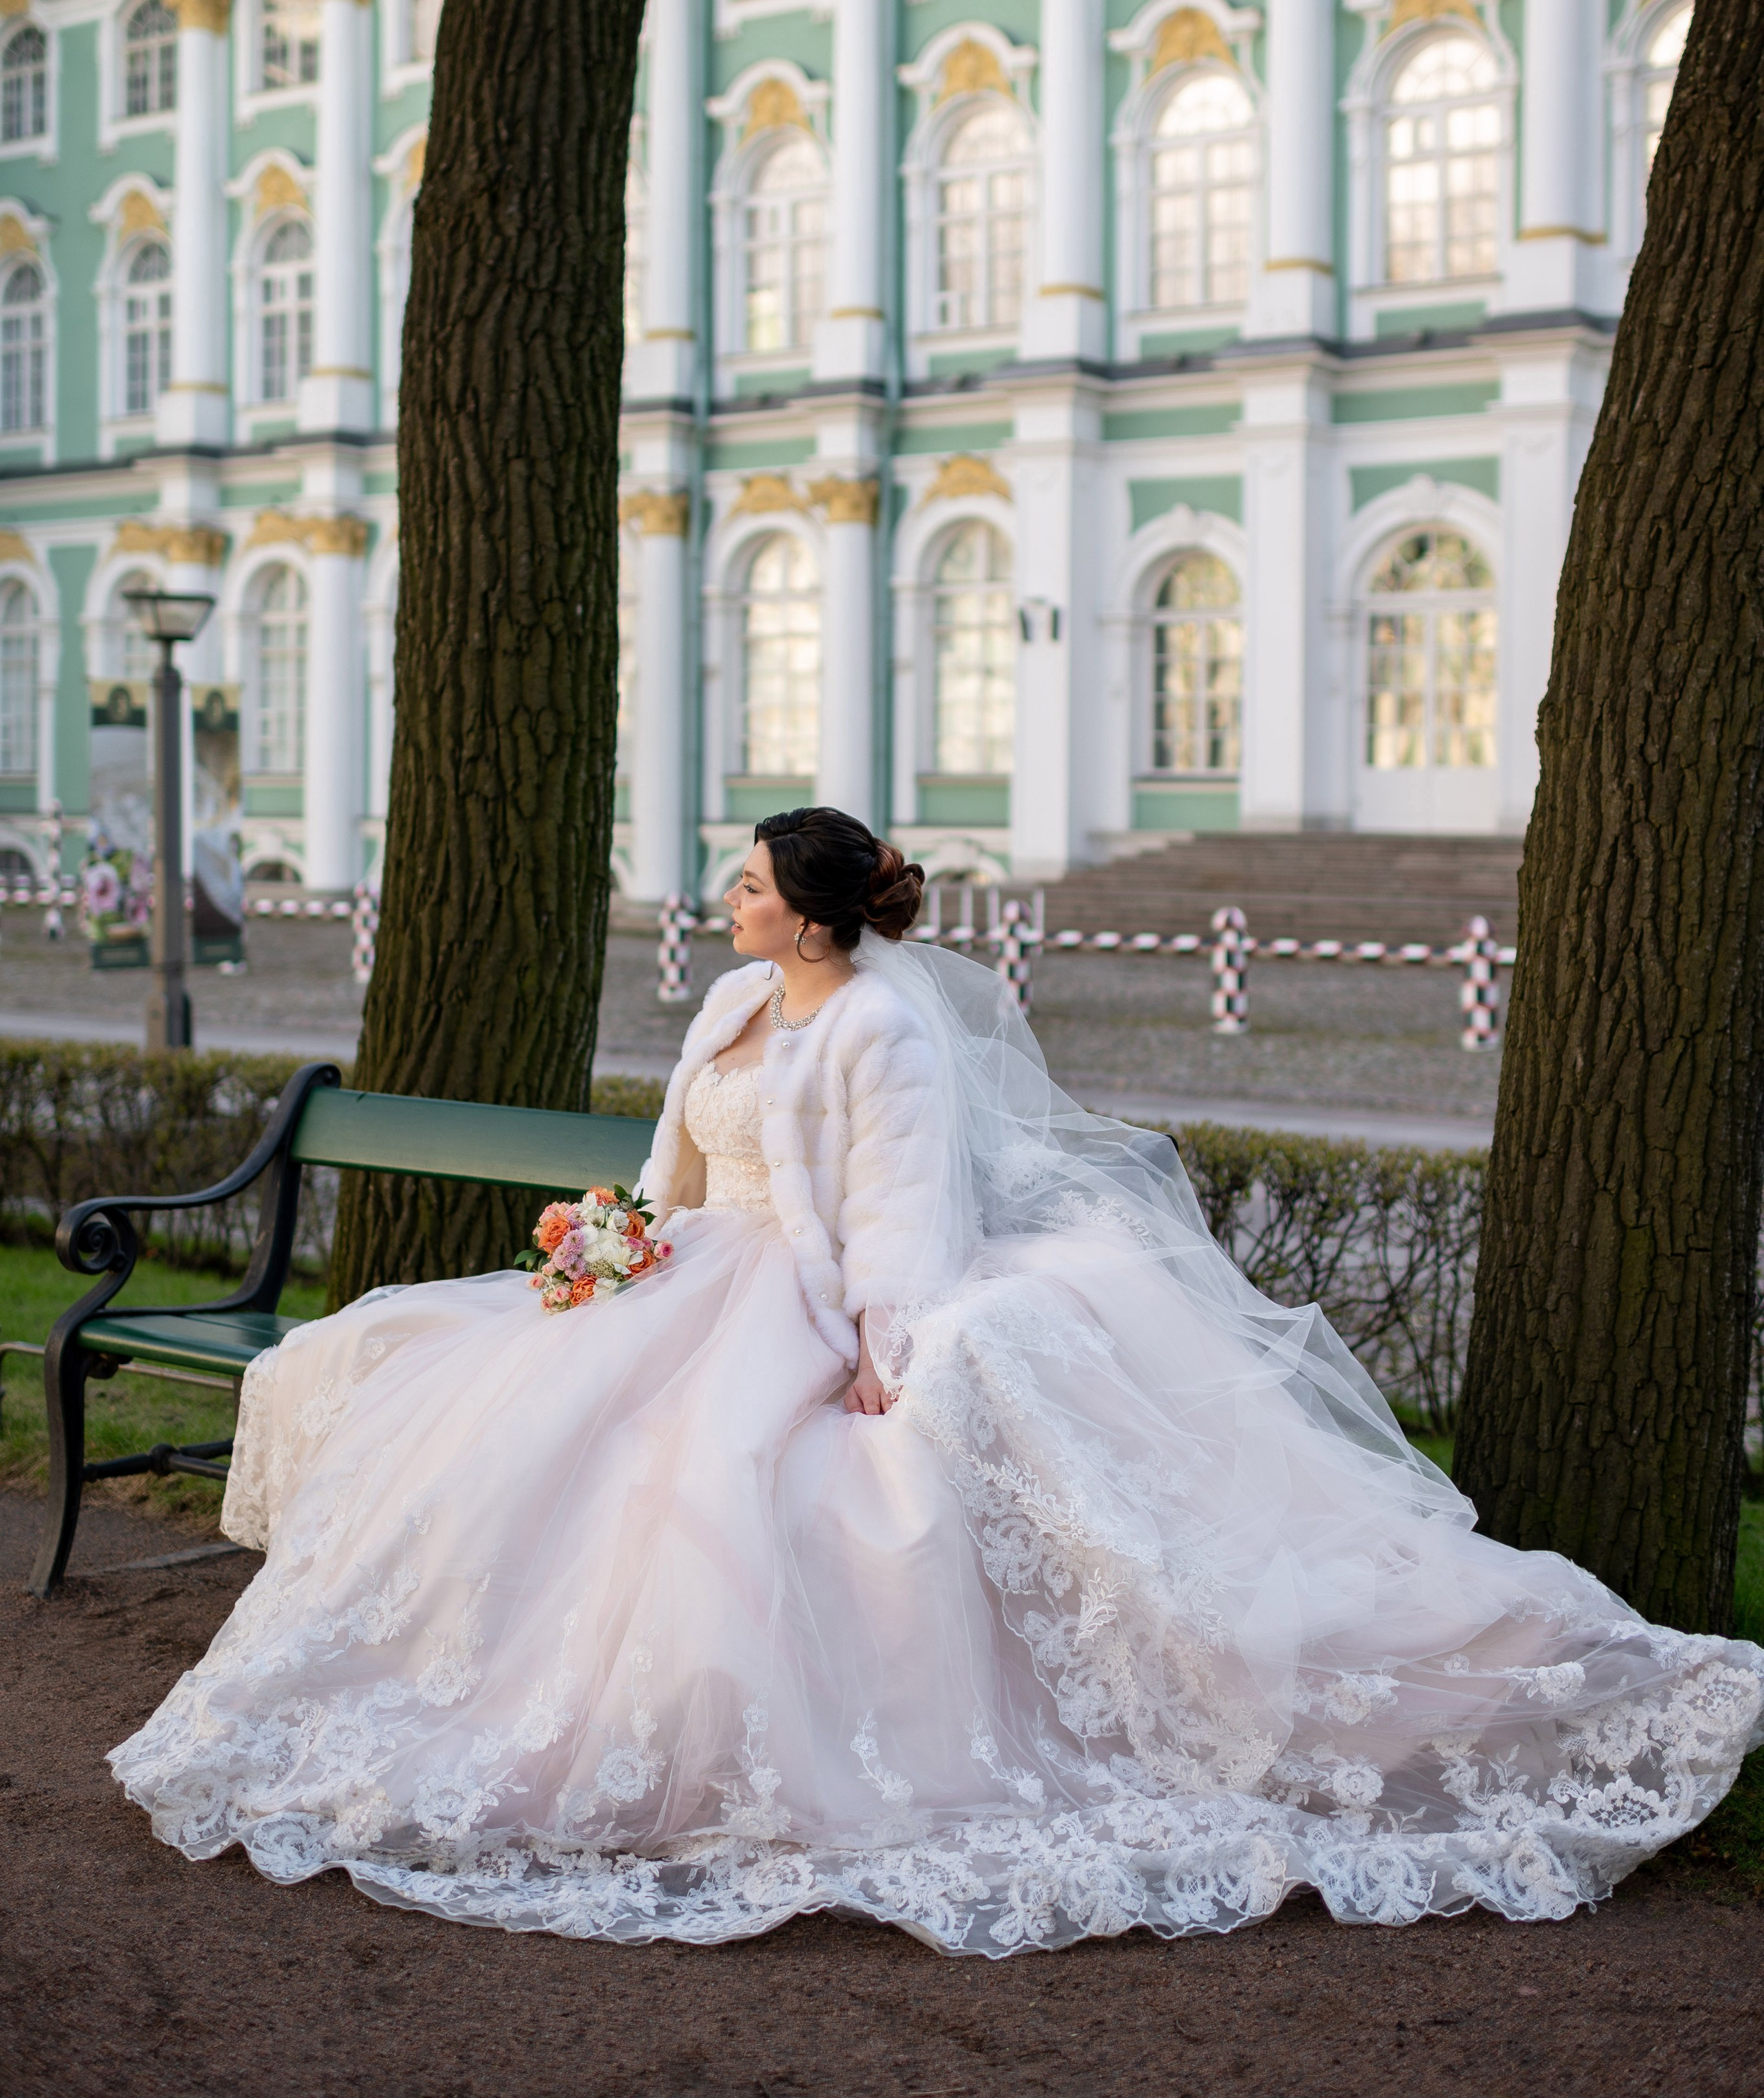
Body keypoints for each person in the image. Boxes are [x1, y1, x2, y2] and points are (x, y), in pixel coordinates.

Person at [112, 807, 1764, 1955]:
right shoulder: (737, 995)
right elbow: (674, 1152)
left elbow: (899, 1219)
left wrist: (876, 1354)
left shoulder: (881, 1035)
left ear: (818, 912)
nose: (732, 899)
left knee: (729, 1491)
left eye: (752, 884)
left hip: (810, 1292)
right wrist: (609, 1248)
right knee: (444, 1384)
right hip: (692, 1266)